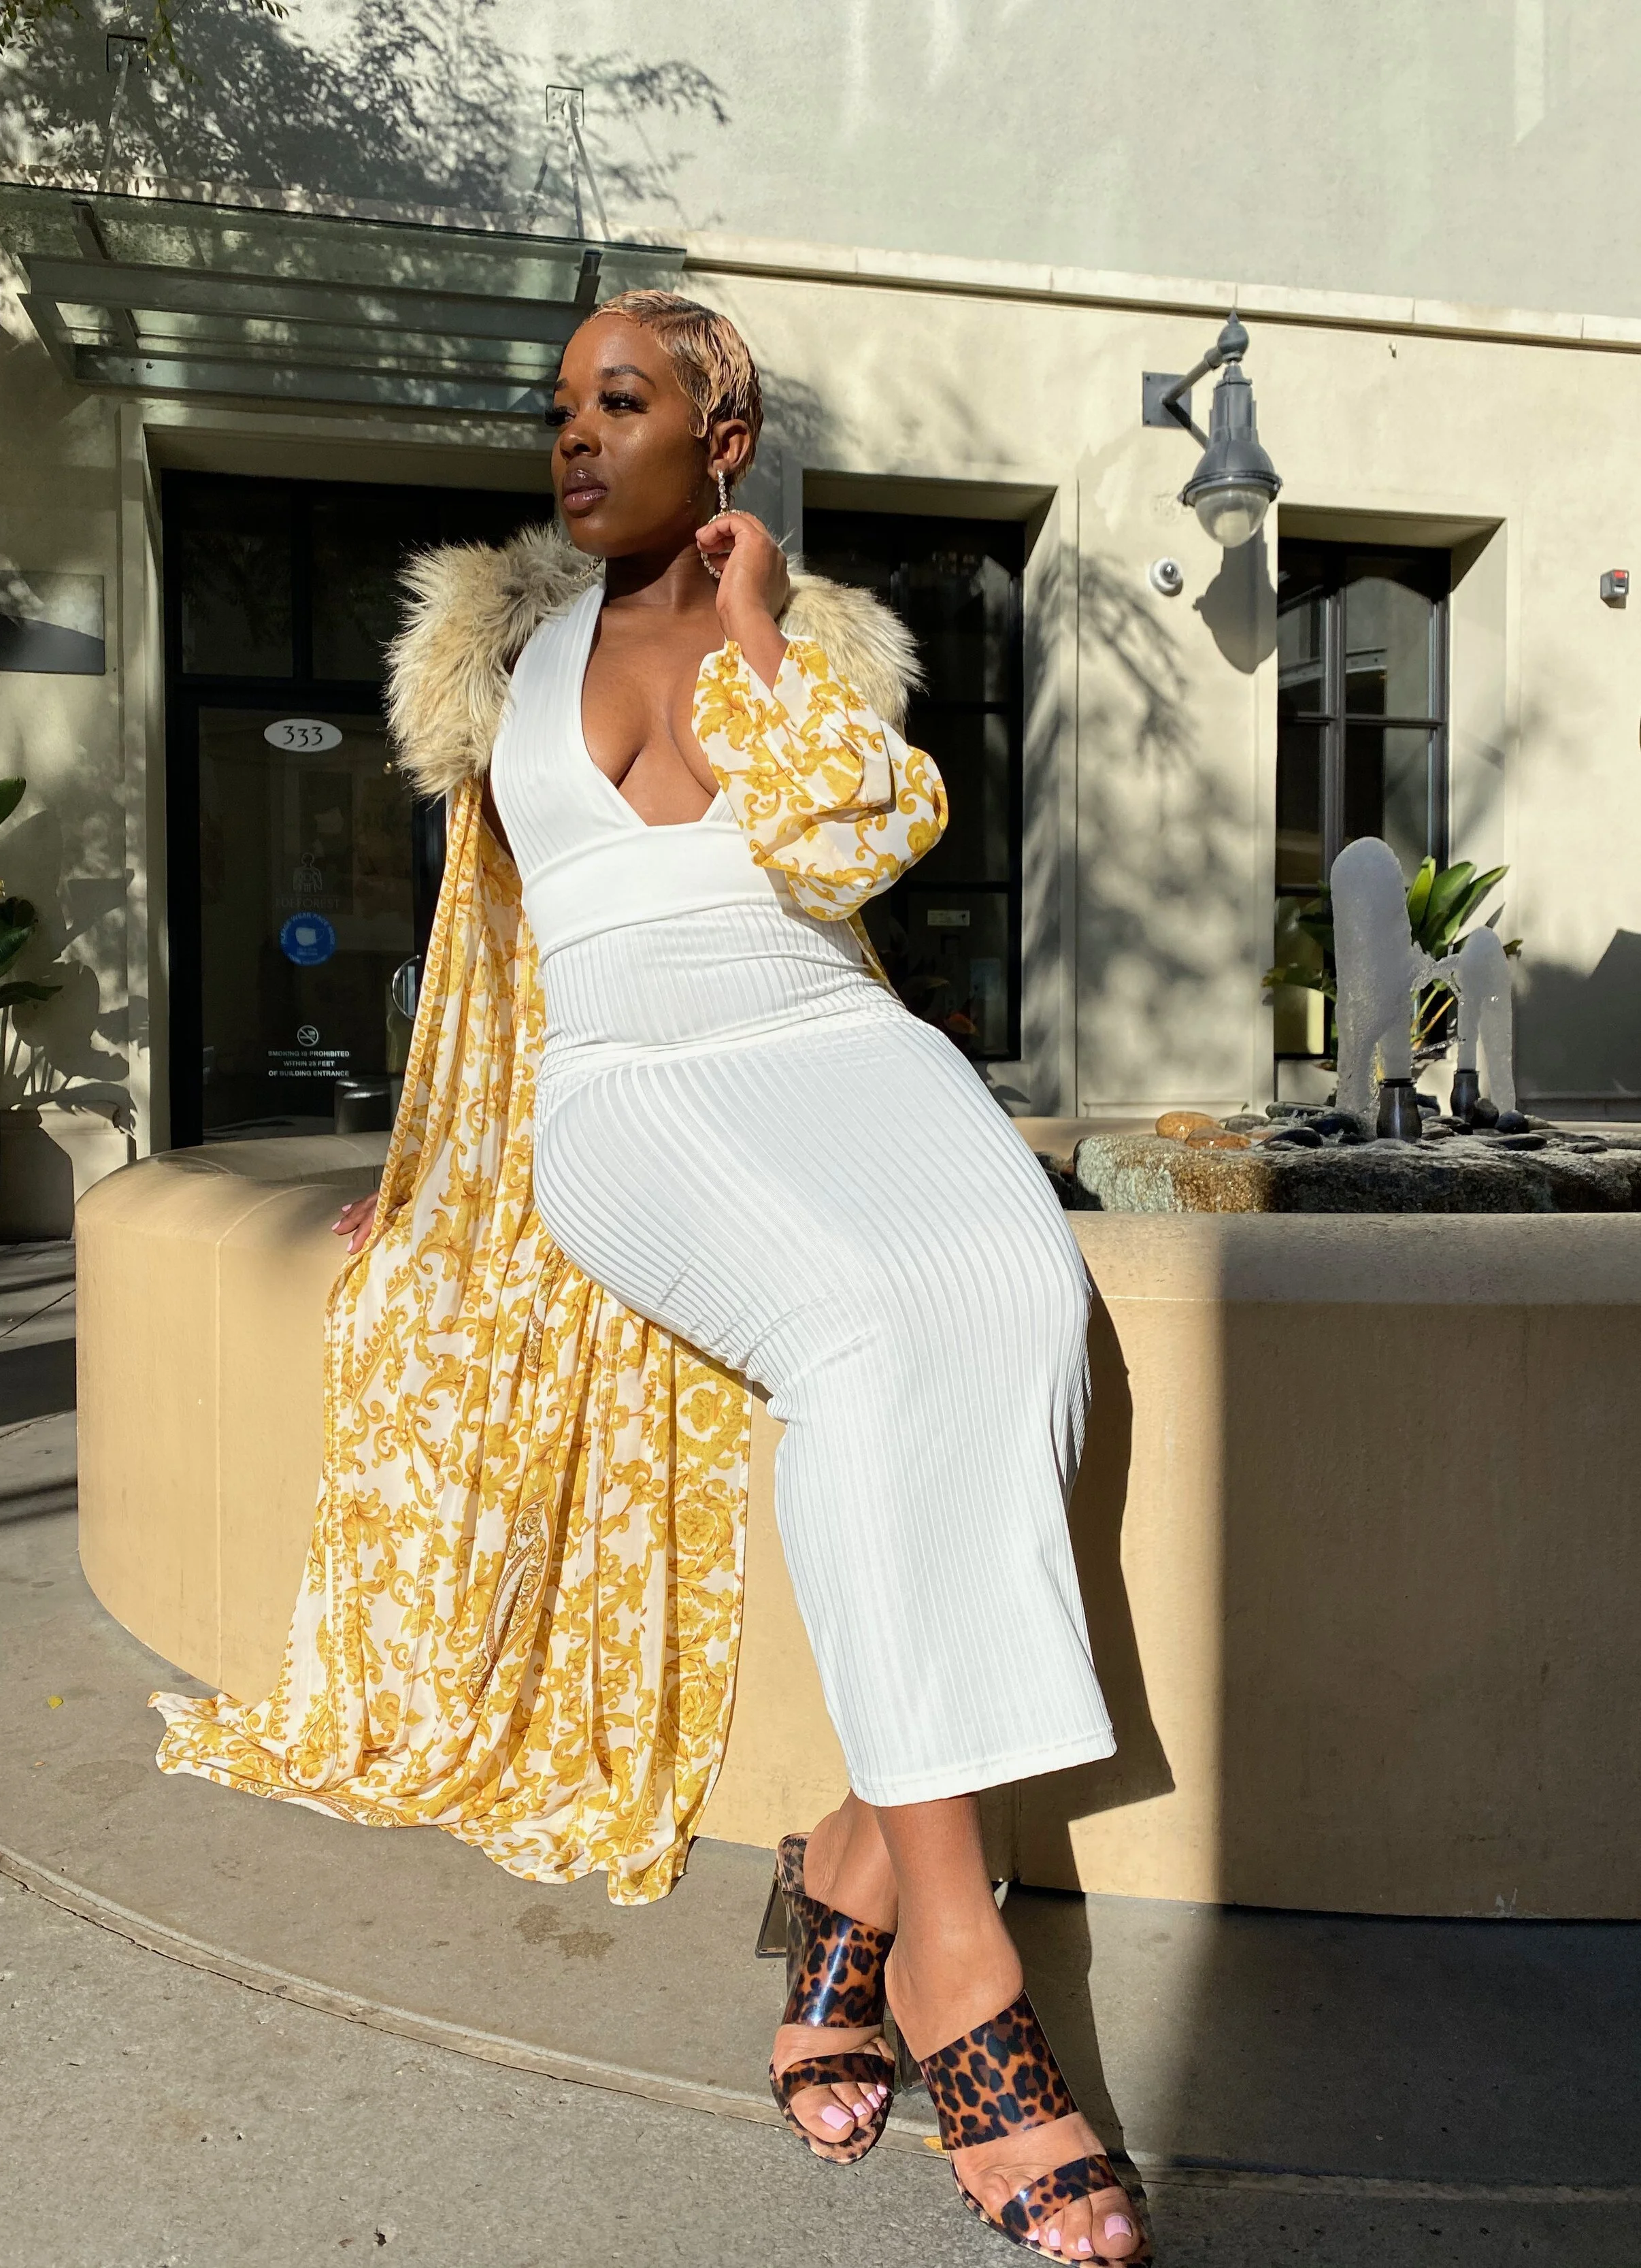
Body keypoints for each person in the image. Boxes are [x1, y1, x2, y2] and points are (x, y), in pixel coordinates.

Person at [161, 291, 1141, 2263]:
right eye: (558, 412)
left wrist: (762, 622)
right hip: (628, 1090)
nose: (572, 439)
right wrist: (429, 1179)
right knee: (867, 1335)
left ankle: (855, 1858)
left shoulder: (812, 640)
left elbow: (865, 843)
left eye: (622, 403)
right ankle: (956, 1947)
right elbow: (482, 971)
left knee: (1018, 1306)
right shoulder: (497, 658)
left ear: (722, 429)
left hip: (841, 1050)